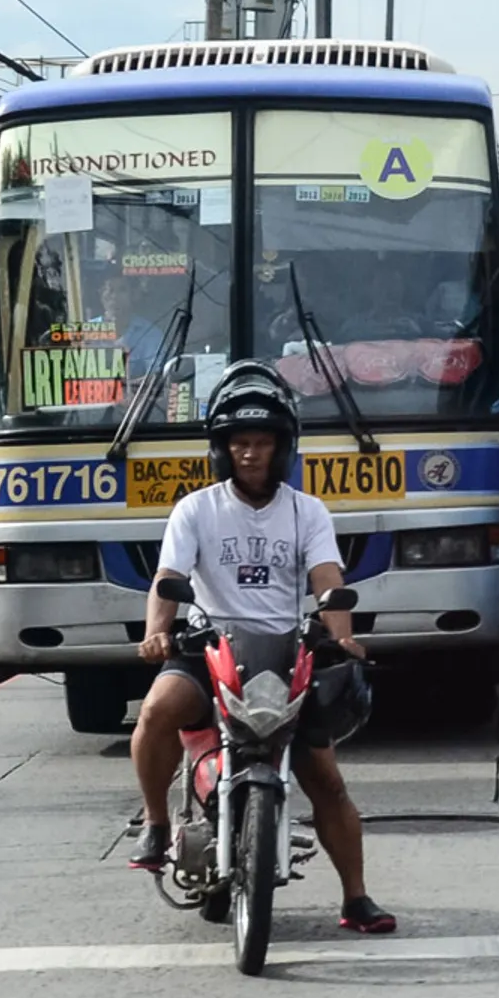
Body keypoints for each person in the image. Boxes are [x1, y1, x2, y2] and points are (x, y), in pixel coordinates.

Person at [125, 361, 388, 934]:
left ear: (282, 447)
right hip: (207, 645)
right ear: (221, 449)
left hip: (287, 649)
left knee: (326, 780)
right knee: (156, 710)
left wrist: (341, 635)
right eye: (239, 443)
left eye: (261, 442)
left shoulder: (307, 511)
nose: (250, 453)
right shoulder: (195, 508)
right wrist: (157, 633)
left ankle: (357, 897)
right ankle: (155, 823)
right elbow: (168, 578)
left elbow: (327, 579)